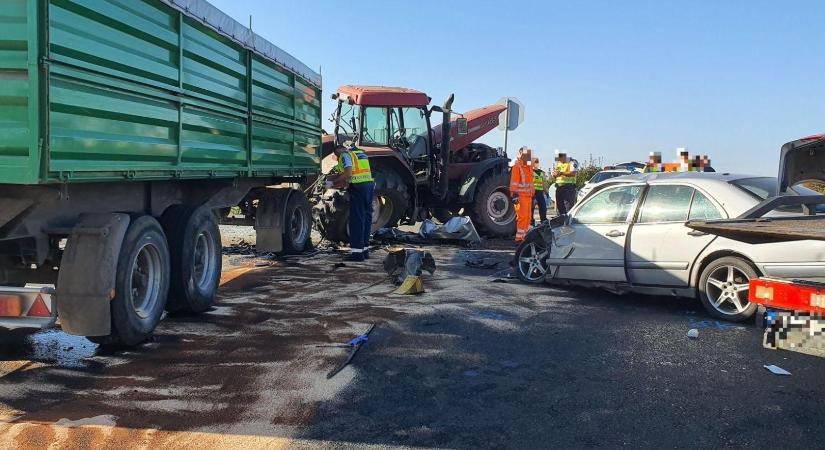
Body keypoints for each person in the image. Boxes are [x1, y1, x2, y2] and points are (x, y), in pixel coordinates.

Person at [331, 144, 375, 261]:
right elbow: (356, 173)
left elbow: (348, 174)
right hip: (368, 186)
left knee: (356, 219)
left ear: (339, 150)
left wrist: (334, 182)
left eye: (336, 154)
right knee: (366, 218)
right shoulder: (361, 154)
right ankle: (364, 251)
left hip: (358, 188)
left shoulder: (345, 155)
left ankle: (356, 254)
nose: (337, 157)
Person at [509, 147, 534, 241]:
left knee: (528, 217)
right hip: (520, 196)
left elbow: (531, 182)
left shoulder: (529, 167)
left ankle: (525, 237)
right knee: (522, 218)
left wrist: (533, 194)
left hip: (528, 196)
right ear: (520, 154)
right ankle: (519, 238)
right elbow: (514, 181)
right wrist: (515, 195)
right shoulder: (517, 166)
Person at [552, 150, 578, 215]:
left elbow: (573, 173)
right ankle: (561, 221)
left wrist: (561, 173)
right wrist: (555, 175)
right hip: (559, 187)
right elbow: (556, 173)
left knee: (568, 208)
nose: (559, 160)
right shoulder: (559, 163)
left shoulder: (573, 162)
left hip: (569, 188)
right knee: (560, 207)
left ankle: (568, 223)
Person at [531, 157, 548, 225]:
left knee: (543, 207)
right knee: (531, 208)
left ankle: (543, 220)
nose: (536, 163)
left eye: (537, 162)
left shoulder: (541, 172)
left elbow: (544, 183)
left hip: (540, 192)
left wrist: (546, 192)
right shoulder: (529, 172)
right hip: (532, 193)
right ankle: (531, 222)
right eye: (535, 162)